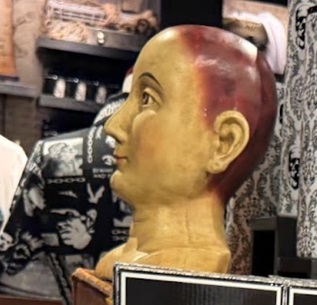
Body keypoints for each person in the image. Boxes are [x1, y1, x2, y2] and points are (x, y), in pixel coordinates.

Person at [97, 25, 277, 276]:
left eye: (147, 98)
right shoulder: (123, 263)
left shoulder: (176, 273)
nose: (113, 126)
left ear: (223, 143)